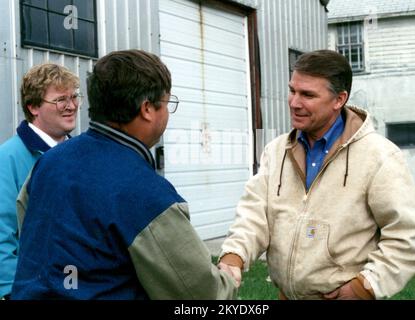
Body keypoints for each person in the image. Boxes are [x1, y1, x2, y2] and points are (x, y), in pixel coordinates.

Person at [11, 49, 238, 300]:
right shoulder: (147, 196)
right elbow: (201, 295)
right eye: (167, 102)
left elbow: (29, 234)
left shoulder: (47, 164)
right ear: (147, 109)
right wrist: (227, 277)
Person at [218, 50, 415, 300]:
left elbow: (408, 236)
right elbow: (254, 215)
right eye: (292, 90)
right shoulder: (276, 152)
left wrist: (365, 287)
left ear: (339, 99)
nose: (294, 102)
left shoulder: (379, 156)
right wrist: (234, 255)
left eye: (307, 95)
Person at [0, 63, 80, 300]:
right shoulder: (8, 158)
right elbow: (2, 233)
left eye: (74, 97)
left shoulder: (79, 154)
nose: (71, 106)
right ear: (33, 107)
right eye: (60, 100)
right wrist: (9, 291)